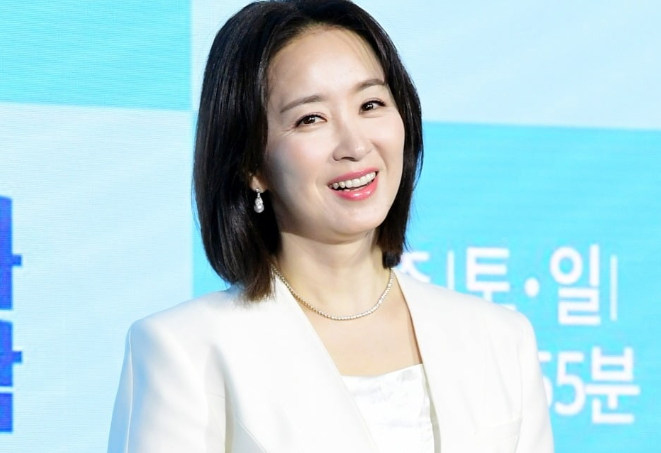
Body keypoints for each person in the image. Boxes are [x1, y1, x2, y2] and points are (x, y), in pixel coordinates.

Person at [108, 1, 554, 452]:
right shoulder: (184, 350)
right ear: (252, 164)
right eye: (311, 119)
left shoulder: (500, 340)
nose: (355, 145)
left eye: (370, 104)